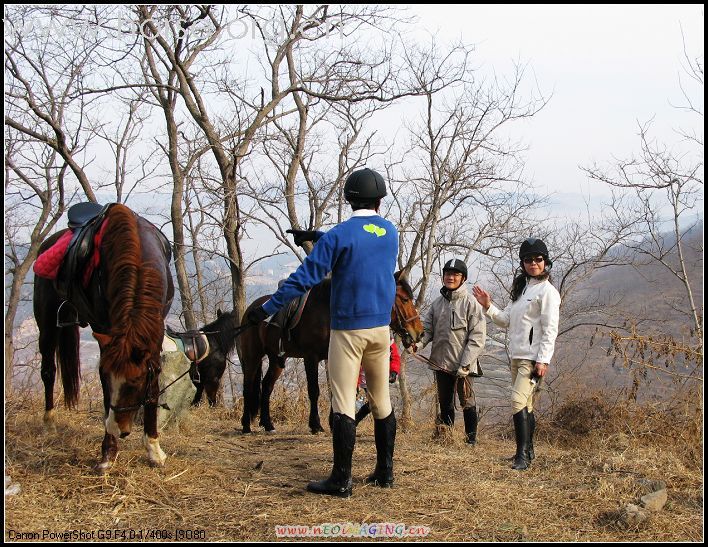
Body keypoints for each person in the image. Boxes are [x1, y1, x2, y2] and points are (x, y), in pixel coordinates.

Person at [245, 167, 399, 497]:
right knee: (381, 401)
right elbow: (364, 239)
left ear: (348, 197)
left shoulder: (338, 236)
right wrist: (320, 235)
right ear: (380, 201)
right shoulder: (390, 232)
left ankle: (341, 480)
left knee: (343, 403)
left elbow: (304, 279)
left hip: (349, 331)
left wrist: (267, 309)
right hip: (380, 331)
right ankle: (385, 472)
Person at [471, 238, 561, 471]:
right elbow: (505, 321)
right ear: (523, 263)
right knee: (527, 404)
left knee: (517, 400)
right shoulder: (523, 290)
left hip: (532, 358)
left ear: (545, 262)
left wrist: (543, 359)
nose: (533, 263)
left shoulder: (548, 292)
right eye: (528, 259)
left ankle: (522, 455)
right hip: (516, 355)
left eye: (538, 259)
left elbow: (550, 328)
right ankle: (528, 450)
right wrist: (488, 305)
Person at [413, 259, 486, 445]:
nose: (450, 277)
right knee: (444, 403)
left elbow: (477, 337)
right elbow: (427, 330)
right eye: (447, 274)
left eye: (455, 274)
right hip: (440, 362)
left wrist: (466, 364)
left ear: (463, 278)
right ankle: (446, 439)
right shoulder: (437, 304)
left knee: (467, 403)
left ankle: (471, 442)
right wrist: (417, 345)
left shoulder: (471, 303)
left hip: (463, 365)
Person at [355, 339, 400, 426]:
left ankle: (356, 420)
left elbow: (395, 357)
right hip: (366, 379)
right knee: (376, 402)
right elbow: (355, 365)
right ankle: (387, 427)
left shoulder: (389, 340)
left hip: (382, 378)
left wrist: (394, 372)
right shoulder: (361, 339)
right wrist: (356, 384)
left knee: (376, 403)